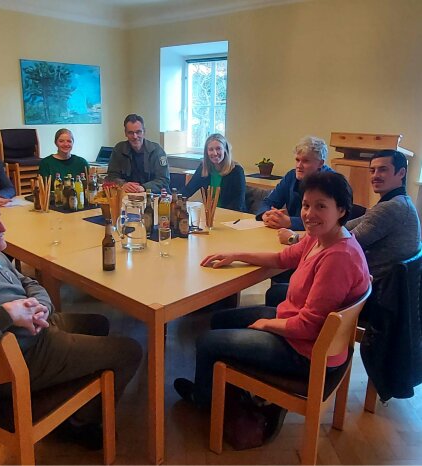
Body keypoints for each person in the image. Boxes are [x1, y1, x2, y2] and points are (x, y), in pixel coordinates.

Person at [0, 188, 142, 449]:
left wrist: (42, 308)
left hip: (31, 332)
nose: (1, 226)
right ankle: (80, 426)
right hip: (15, 363)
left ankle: (79, 402)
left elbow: (27, 282)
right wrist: (5, 315)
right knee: (129, 350)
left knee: (98, 323)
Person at [174, 172, 370, 435]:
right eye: (306, 205)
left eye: (321, 206)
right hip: (301, 331)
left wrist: (268, 324)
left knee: (207, 341)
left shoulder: (338, 259)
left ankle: (206, 402)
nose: (310, 213)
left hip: (306, 352)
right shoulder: (322, 236)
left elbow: (308, 327)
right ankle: (231, 392)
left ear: (342, 210)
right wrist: (236, 255)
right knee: (221, 320)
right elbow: (283, 258)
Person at [277, 150, 421, 278]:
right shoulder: (401, 202)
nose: (375, 175)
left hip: (370, 291)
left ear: (401, 173)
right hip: (378, 285)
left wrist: (293, 238)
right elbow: (343, 226)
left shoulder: (391, 208)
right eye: (372, 170)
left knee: (285, 277)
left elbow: (343, 242)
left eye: (383, 170)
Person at [256, 135, 334, 230]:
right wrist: (266, 215)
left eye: (305, 161)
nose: (299, 166)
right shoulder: (291, 176)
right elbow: (268, 202)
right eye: (297, 160)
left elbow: (328, 221)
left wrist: (290, 222)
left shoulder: (332, 182)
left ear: (320, 163)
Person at [106, 114, 170, 193]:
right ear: (125, 133)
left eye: (138, 132)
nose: (135, 136)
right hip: (127, 197)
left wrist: (144, 187)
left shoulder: (157, 151)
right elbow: (111, 176)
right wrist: (123, 184)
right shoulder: (119, 149)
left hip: (153, 197)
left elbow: (164, 180)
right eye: (130, 133)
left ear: (144, 132)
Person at [181, 133, 245, 211]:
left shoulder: (236, 171)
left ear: (225, 149)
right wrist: (173, 198)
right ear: (206, 152)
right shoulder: (203, 168)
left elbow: (238, 203)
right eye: (211, 149)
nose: (215, 153)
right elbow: (188, 190)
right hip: (210, 214)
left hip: (231, 216)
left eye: (218, 148)